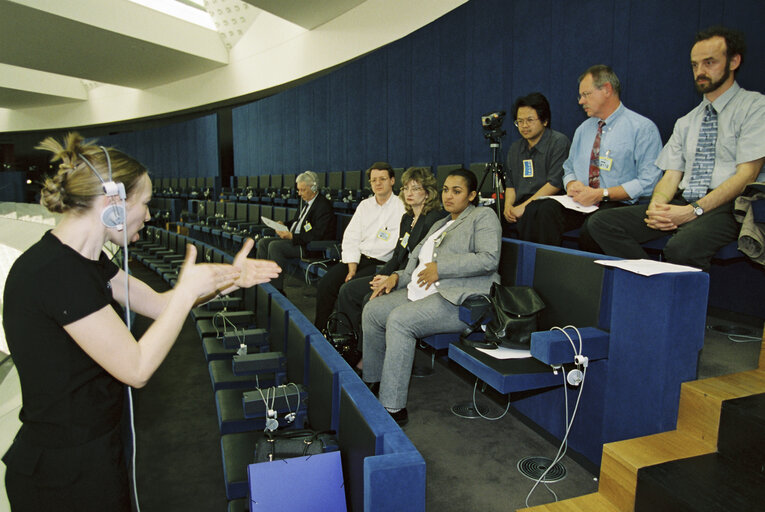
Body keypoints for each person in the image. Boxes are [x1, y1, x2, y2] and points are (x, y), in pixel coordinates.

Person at [1, 133, 280, 512]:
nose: (149, 215)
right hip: (63, 474)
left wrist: (233, 277)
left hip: (97, 450)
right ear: (113, 203)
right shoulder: (55, 273)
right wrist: (186, 293)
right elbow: (136, 367)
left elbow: (162, 305)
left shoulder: (89, 262)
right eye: (145, 203)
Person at [586, 27, 765, 270]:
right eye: (694, 65)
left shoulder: (755, 107)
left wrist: (693, 211)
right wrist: (656, 206)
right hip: (685, 199)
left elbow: (747, 175)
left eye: (709, 62)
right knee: (601, 224)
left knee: (682, 249)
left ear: (734, 61)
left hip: (728, 206)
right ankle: (654, 280)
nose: (700, 72)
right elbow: (671, 175)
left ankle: (662, 291)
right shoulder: (687, 121)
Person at [361, 168, 501, 426]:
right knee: (373, 311)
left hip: (457, 298)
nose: (449, 196)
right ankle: (373, 380)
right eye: (446, 190)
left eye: (457, 191)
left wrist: (442, 268)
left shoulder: (483, 216)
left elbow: (489, 258)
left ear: (472, 195)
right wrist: (396, 278)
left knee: (400, 320)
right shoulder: (440, 222)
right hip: (423, 290)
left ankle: (392, 407)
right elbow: (416, 261)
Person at [520, 65, 663, 249]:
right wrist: (572, 184)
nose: (581, 101)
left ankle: (586, 276)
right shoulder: (583, 129)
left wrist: (601, 194)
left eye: (586, 94)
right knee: (537, 210)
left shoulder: (641, 128)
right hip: (581, 201)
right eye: (580, 96)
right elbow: (569, 168)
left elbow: (649, 181)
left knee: (593, 228)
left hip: (616, 203)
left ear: (606, 89)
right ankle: (540, 272)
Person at [336, 167, 445, 362]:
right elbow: (397, 255)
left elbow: (423, 261)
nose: (409, 193)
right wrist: (381, 277)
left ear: (428, 192)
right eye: (406, 189)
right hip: (395, 273)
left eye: (416, 189)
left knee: (369, 298)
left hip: (413, 278)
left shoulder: (434, 219)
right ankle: (350, 343)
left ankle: (365, 358)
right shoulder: (407, 217)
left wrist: (393, 278)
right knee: (348, 290)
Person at [314, 162, 405, 330]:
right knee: (326, 284)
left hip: (380, 264)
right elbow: (351, 237)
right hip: (357, 259)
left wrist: (353, 274)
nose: (378, 183)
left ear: (392, 181)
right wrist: (351, 268)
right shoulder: (365, 205)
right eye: (374, 180)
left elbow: (396, 246)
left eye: (382, 179)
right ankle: (320, 331)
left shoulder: (402, 207)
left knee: (348, 290)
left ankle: (346, 339)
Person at [503, 92, 570, 240]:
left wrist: (523, 207)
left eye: (530, 120)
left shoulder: (558, 142)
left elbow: (555, 183)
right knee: (491, 210)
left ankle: (532, 261)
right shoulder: (515, 148)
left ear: (545, 120)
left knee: (535, 211)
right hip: (523, 200)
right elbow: (510, 184)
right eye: (519, 121)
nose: (524, 126)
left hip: (549, 200)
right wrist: (508, 207)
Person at [255, 171, 336, 293]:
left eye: (302, 190)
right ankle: (262, 283)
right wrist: (284, 224)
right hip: (298, 240)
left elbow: (317, 235)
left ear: (313, 188)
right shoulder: (306, 202)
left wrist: (292, 236)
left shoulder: (323, 206)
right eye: (298, 190)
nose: (299, 193)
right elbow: (297, 222)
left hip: (309, 247)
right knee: (263, 243)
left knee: (275, 247)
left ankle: (277, 290)